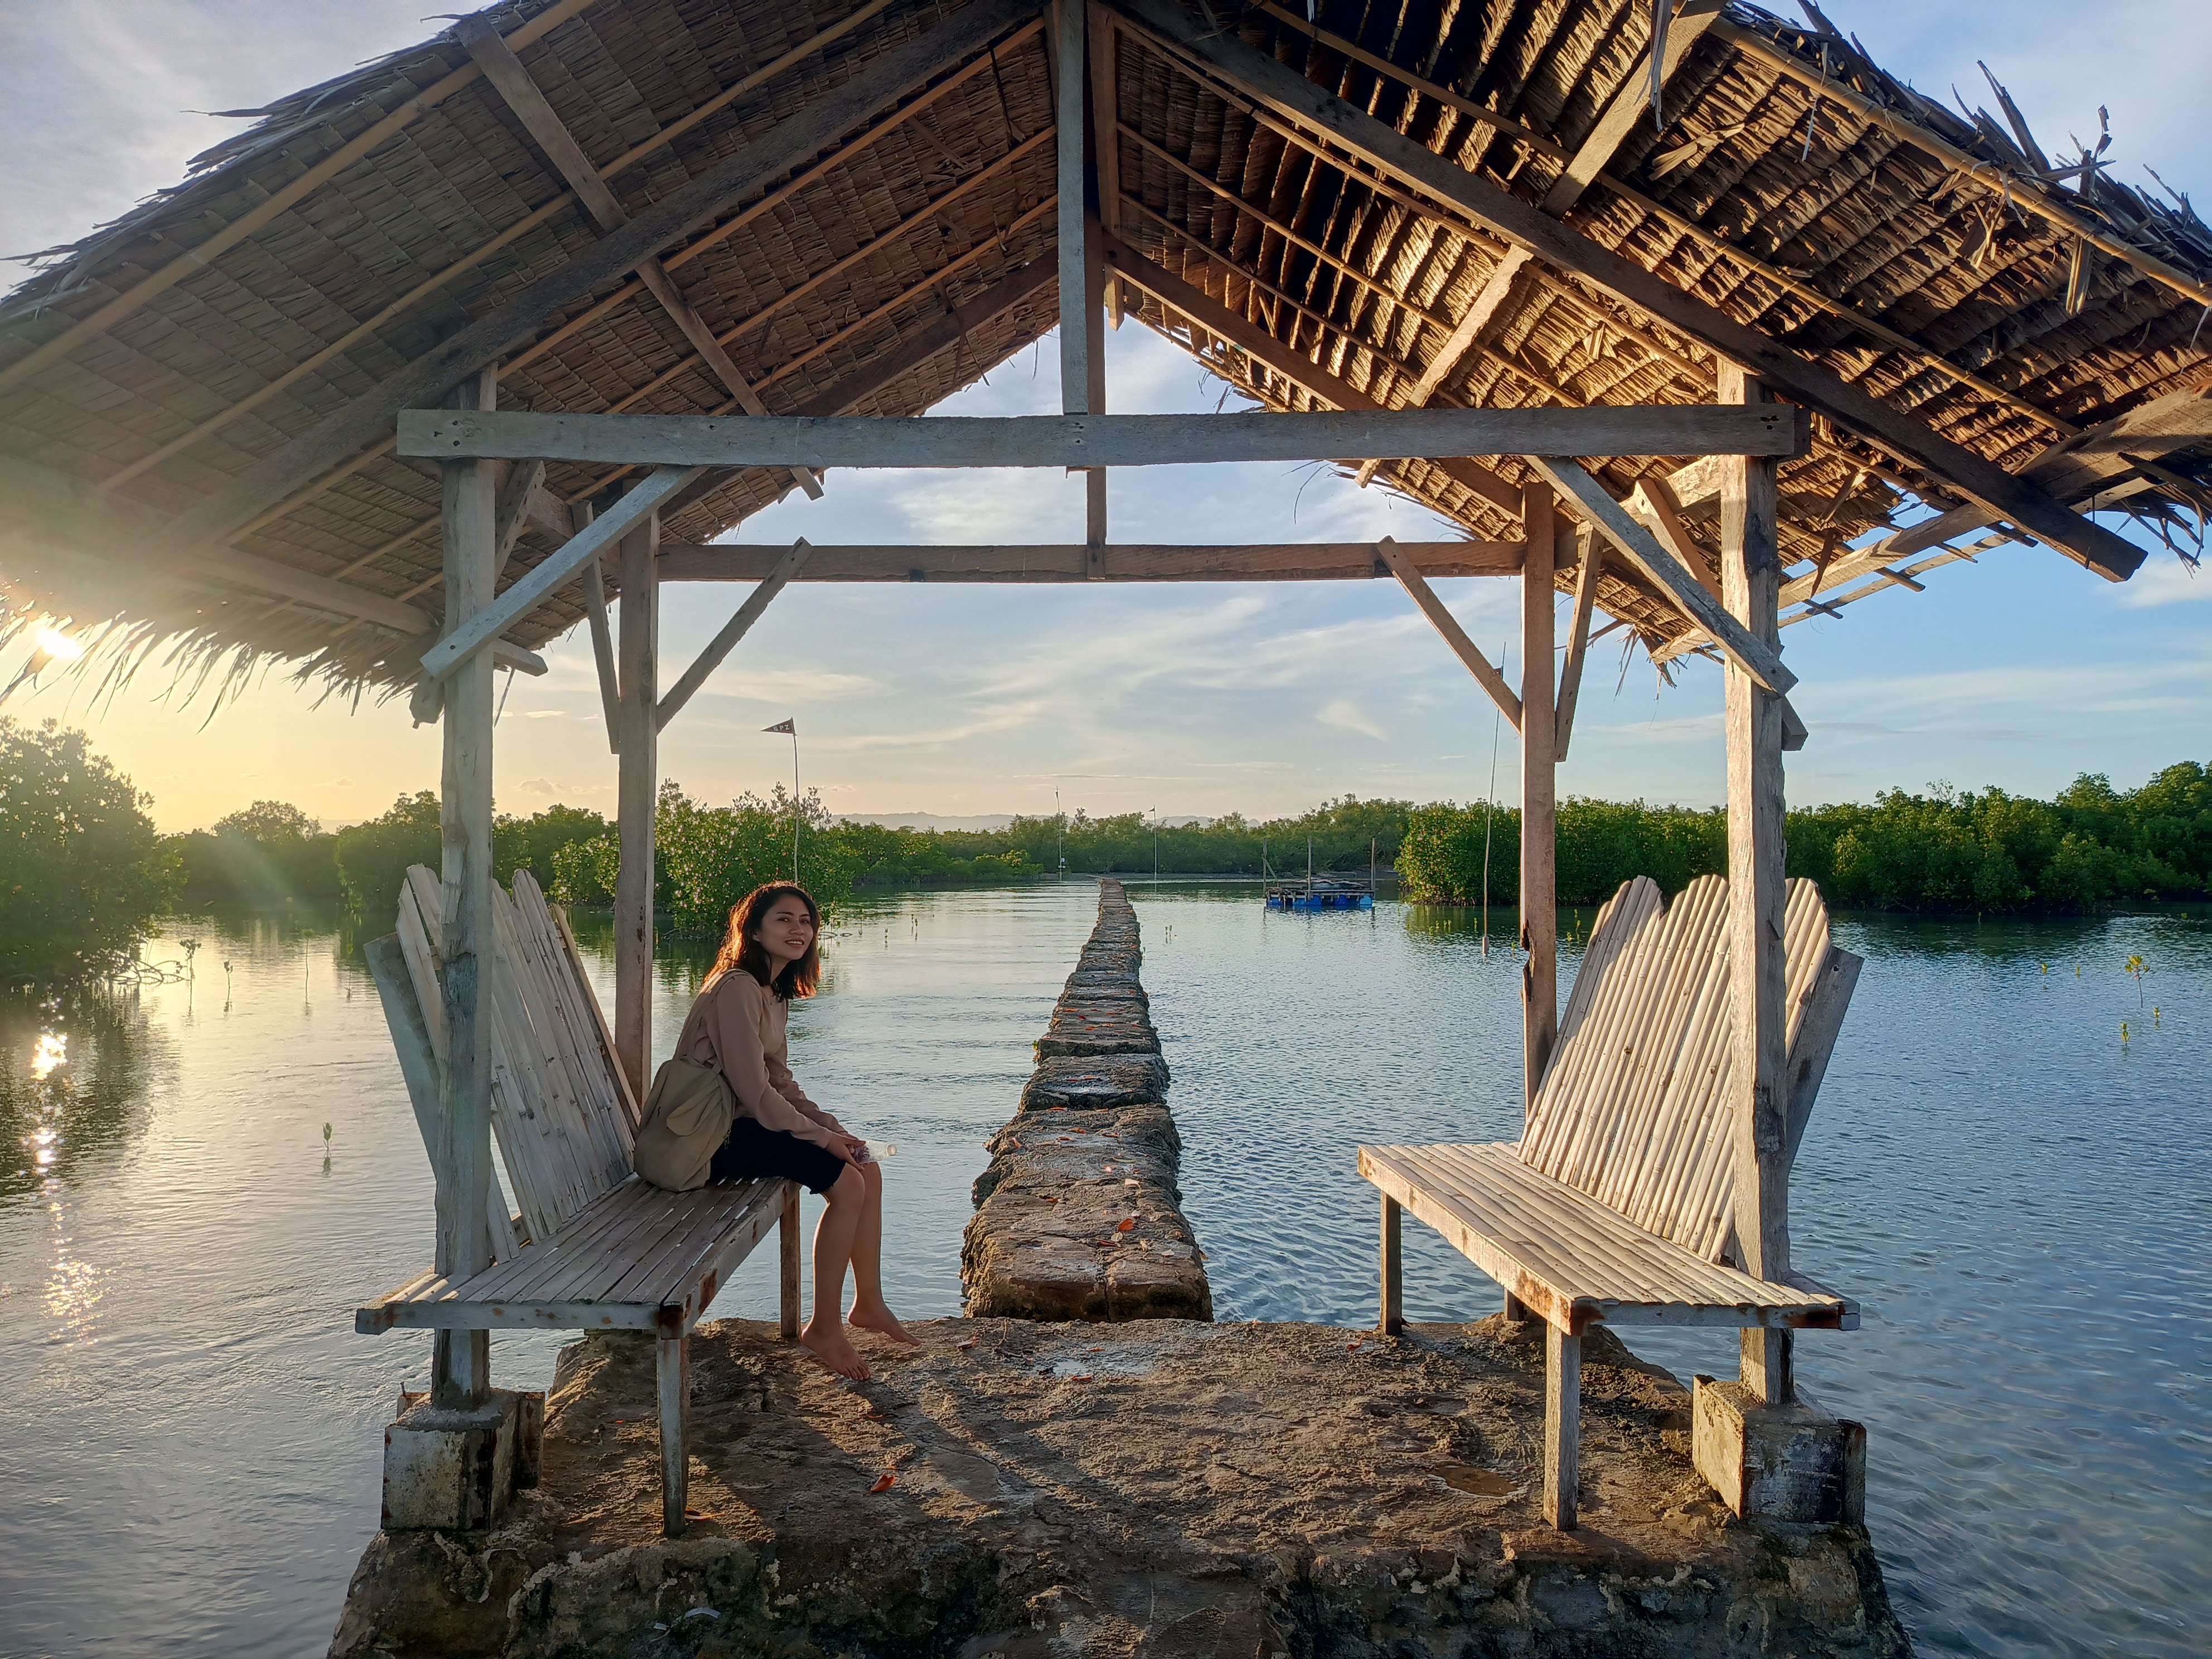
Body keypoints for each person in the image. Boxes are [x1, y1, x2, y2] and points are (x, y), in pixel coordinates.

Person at [673, 881, 914, 1380]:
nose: (798, 930)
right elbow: (754, 1092)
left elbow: (780, 1082)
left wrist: (834, 1130)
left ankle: (869, 1302)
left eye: (806, 921)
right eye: (783, 919)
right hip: (706, 1138)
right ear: (754, 931)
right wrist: (822, 1140)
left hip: (743, 1125)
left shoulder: (773, 991)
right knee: (846, 1183)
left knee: (866, 1165)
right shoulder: (737, 988)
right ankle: (823, 1328)